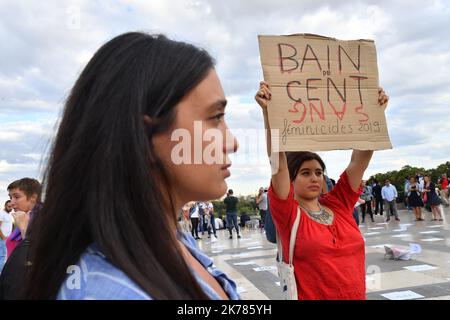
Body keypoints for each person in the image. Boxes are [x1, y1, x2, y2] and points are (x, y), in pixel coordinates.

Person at [18, 32, 240, 300]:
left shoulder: (171, 243)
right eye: (215, 117)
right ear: (143, 137)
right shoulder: (105, 292)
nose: (232, 142)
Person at [256, 80, 389, 300]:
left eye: (318, 172)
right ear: (290, 179)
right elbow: (277, 161)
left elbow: (359, 161)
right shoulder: (289, 214)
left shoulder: (338, 204)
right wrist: (269, 114)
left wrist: (375, 113)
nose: (315, 178)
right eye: (305, 173)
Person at [5, 178, 42, 258]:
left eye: (17, 197)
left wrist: (23, 228)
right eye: (11, 197)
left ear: (33, 197)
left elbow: (37, 254)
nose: (11, 203)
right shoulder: (27, 217)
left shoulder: (42, 220)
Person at [0, 200, 14, 272]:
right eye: (9, 206)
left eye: (11, 206)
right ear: (5, 206)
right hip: (2, 238)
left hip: (7, 238)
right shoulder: (2, 213)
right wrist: (3, 237)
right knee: (2, 256)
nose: (10, 208)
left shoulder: (8, 214)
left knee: (4, 256)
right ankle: (1, 273)